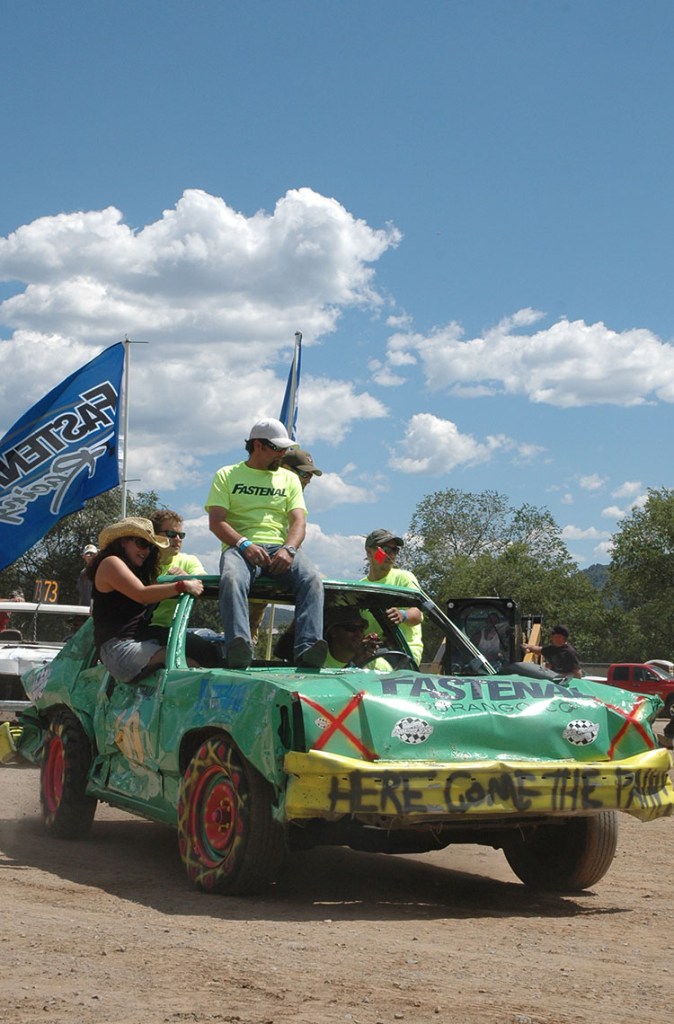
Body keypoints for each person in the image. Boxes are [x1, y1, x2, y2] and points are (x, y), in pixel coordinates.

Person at [205, 417, 326, 670]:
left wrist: (289, 549)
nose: (282, 455)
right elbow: (217, 522)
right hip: (240, 548)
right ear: (257, 445)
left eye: (284, 450)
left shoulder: (289, 479)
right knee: (231, 578)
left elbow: (298, 523)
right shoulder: (226, 475)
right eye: (277, 449)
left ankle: (307, 649)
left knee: (313, 579)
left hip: (281, 548)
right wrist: (244, 543)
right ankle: (239, 644)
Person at [88, 516, 204, 683]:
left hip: (136, 643)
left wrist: (167, 582)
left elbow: (146, 594)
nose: (146, 551)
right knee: (188, 668)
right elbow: (142, 595)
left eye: (150, 547)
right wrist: (181, 586)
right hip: (118, 649)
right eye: (142, 544)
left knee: (201, 651)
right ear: (123, 542)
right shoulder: (111, 563)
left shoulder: (132, 570)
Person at [360, 529, 424, 665]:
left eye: (395, 550)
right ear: (369, 551)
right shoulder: (361, 586)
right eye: (385, 549)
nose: (391, 555)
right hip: (372, 653)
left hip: (404, 653)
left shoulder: (404, 578)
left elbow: (418, 614)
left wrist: (402, 615)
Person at [149, 510, 205, 629]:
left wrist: (186, 578)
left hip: (173, 631)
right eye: (171, 534)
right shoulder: (141, 561)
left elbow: (203, 582)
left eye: (181, 535)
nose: (178, 539)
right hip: (141, 629)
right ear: (154, 535)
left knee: (208, 647)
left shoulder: (188, 561)